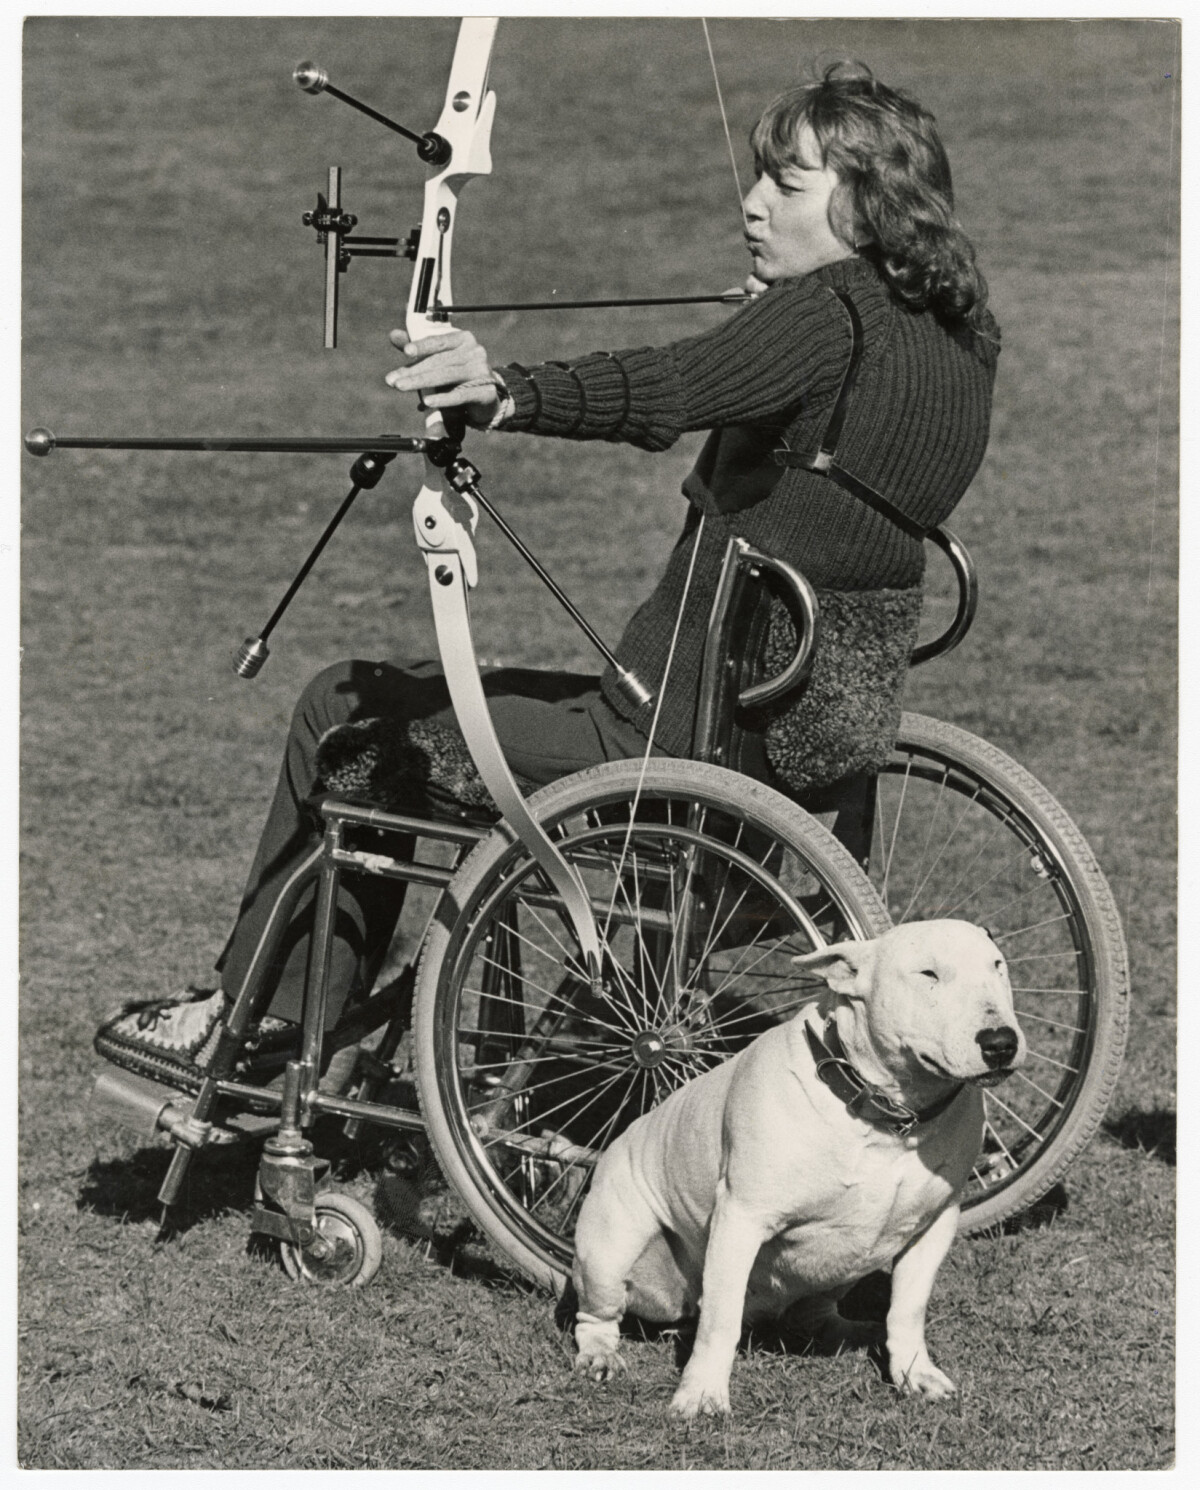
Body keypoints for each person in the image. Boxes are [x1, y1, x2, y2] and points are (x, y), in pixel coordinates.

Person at [96, 61, 999, 1090]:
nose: (751, 203)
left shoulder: (826, 317)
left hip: (659, 745)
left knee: (344, 710)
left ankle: (256, 1027)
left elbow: (670, 387)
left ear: (869, 206)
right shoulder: (960, 337)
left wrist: (503, 393)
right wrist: (770, 339)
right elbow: (816, 475)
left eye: (786, 185)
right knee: (392, 709)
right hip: (777, 748)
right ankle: (322, 1038)